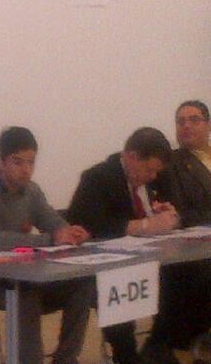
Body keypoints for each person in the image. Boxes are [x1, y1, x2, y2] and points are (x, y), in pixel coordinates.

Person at [0, 126, 92, 364]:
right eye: (18, 162)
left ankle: (66, 359)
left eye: (31, 162)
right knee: (24, 291)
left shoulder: (32, 191)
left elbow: (52, 221)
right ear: (1, 161)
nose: (26, 169)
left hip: (21, 274)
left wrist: (68, 232)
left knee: (82, 283)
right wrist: (49, 240)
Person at [66, 127, 179, 364]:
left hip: (150, 259)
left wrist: (169, 215)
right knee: (118, 282)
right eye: (149, 170)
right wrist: (143, 225)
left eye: (156, 171)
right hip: (108, 266)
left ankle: (159, 346)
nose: (153, 176)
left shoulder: (155, 178)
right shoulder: (98, 178)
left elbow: (172, 211)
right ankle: (127, 356)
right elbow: (88, 223)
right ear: (131, 157)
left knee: (185, 275)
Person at [138, 101, 211, 363]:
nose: (186, 126)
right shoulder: (172, 164)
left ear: (208, 125)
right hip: (193, 249)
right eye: (181, 121)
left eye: (194, 120)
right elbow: (179, 213)